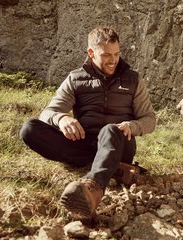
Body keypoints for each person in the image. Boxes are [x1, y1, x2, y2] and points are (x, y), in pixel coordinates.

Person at [20, 27, 156, 220]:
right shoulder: (76, 78)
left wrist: (132, 126)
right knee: (30, 128)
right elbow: (48, 112)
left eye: (117, 54)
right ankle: (109, 167)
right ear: (91, 53)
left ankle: (93, 187)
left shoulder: (133, 79)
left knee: (110, 130)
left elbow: (150, 119)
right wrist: (61, 118)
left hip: (119, 142)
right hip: (84, 144)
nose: (113, 60)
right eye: (106, 55)